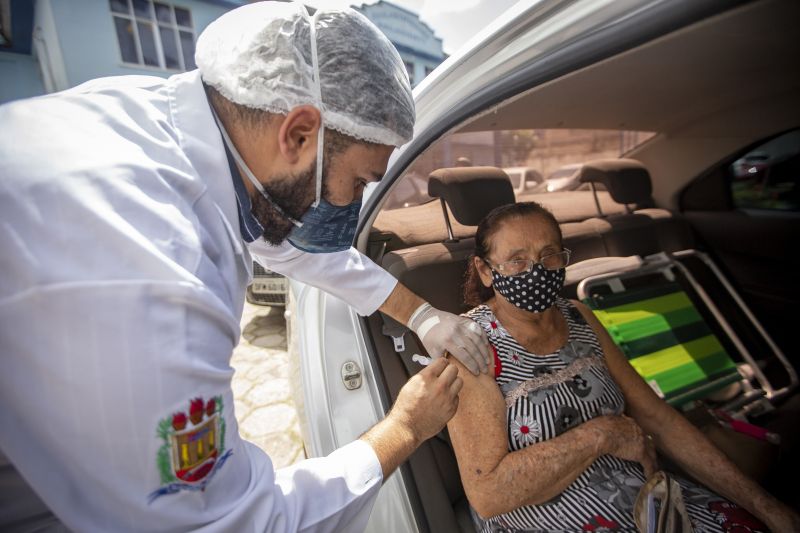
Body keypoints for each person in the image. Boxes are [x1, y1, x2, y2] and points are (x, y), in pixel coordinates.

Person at [0, 3, 489, 531]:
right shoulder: (154, 271)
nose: (356, 202)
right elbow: (232, 522)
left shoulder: (176, 131)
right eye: (360, 181)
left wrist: (421, 315)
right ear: (299, 134)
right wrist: (405, 428)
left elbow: (290, 245)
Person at [446, 201, 800, 532]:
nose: (536, 271)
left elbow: (658, 419)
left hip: (651, 504)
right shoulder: (471, 346)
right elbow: (488, 494)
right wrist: (602, 435)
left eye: (549, 255)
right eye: (517, 260)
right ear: (486, 270)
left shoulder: (579, 315)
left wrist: (767, 509)